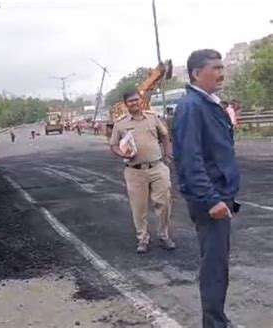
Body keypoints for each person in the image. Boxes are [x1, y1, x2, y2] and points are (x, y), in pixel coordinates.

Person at [172, 49, 240, 328]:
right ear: (196, 74)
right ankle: (214, 324)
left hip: (219, 193)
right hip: (209, 198)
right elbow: (190, 159)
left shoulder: (208, 103)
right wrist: (211, 199)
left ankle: (217, 319)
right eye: (215, 68)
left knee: (218, 266)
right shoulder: (192, 106)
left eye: (222, 67)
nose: (221, 73)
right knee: (214, 268)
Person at [110, 89, 176, 254]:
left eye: (136, 100)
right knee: (139, 208)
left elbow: (165, 135)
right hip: (135, 171)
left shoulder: (152, 118)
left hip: (157, 167)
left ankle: (164, 234)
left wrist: (168, 153)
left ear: (141, 101)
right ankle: (143, 239)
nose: (134, 103)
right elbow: (113, 145)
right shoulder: (121, 123)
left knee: (164, 202)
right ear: (126, 105)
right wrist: (121, 153)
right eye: (130, 101)